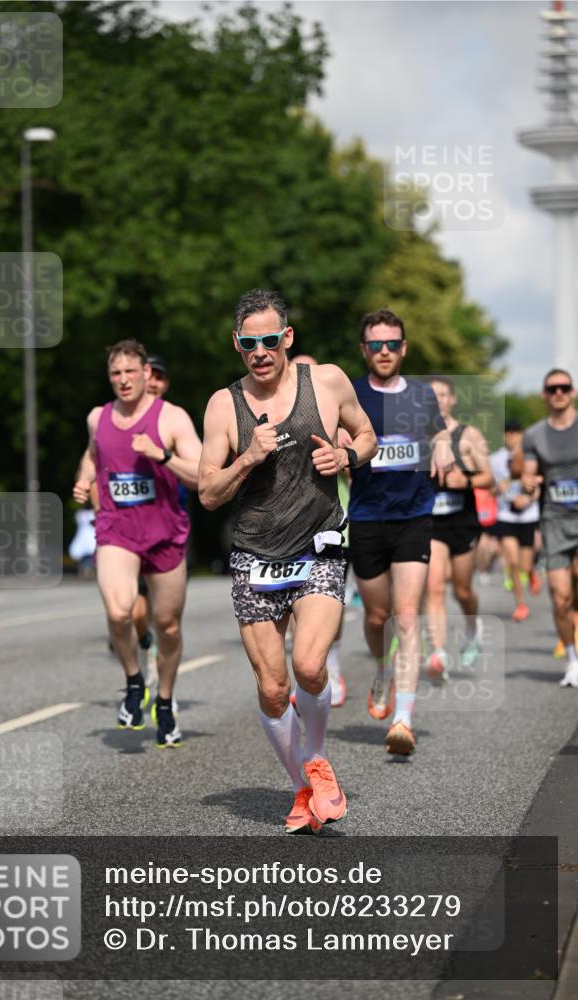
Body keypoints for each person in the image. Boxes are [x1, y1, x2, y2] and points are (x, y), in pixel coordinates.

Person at [199, 289, 377, 833]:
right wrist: (247, 459)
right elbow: (208, 492)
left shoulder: (326, 382)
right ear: (237, 344)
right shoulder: (222, 405)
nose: (260, 351)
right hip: (255, 554)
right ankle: (302, 787)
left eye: (269, 340)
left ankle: (317, 760)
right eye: (249, 343)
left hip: (318, 543)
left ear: (287, 338)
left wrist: (347, 455)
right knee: (274, 689)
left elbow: (368, 435)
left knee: (308, 666)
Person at [73, 339, 202, 745]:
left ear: (147, 373)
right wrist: (85, 478)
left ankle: (164, 700)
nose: (124, 380)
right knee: (118, 611)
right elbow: (94, 455)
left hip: (164, 532)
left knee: (167, 625)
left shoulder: (173, 418)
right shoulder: (99, 417)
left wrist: (160, 454)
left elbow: (202, 476)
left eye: (131, 372)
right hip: (117, 529)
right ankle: (134, 683)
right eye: (116, 373)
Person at [347, 308, 454, 755]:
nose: (385, 351)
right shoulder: (350, 394)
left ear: (404, 348)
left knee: (406, 616)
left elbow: (440, 433)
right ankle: (382, 669)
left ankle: (403, 719)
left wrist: (444, 446)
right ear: (364, 350)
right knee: (377, 617)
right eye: (376, 345)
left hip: (413, 516)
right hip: (367, 517)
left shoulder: (422, 395)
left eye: (392, 344)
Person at [424, 376, 494, 680]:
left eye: (443, 395)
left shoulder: (469, 436)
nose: (438, 400)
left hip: (462, 521)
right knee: (434, 586)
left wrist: (464, 480)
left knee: (463, 589)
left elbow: (488, 478)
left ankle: (470, 625)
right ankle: (438, 651)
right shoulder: (417, 435)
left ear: (452, 399)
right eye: (432, 395)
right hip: (430, 522)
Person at [290, 353, 348, 707]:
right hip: (288, 533)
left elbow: (361, 452)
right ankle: (308, 669)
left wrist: (341, 456)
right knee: (297, 604)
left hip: (335, 527)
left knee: (327, 605)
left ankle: (332, 664)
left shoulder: (334, 416)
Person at [522, 368, 578, 688]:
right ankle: (572, 659)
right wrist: (528, 483)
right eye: (552, 388)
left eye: (564, 387)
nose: (558, 393)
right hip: (555, 519)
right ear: (545, 394)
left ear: (572, 392)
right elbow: (529, 476)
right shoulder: (535, 434)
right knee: (560, 596)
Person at [490, 420, 542, 621]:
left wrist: (528, 499)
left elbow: (538, 486)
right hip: (506, 516)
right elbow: (489, 487)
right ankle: (521, 604)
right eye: (507, 433)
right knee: (511, 561)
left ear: (521, 434)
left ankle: (530, 573)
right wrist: (498, 490)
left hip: (528, 516)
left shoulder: (532, 457)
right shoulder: (495, 460)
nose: (511, 436)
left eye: (515, 432)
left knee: (525, 565)